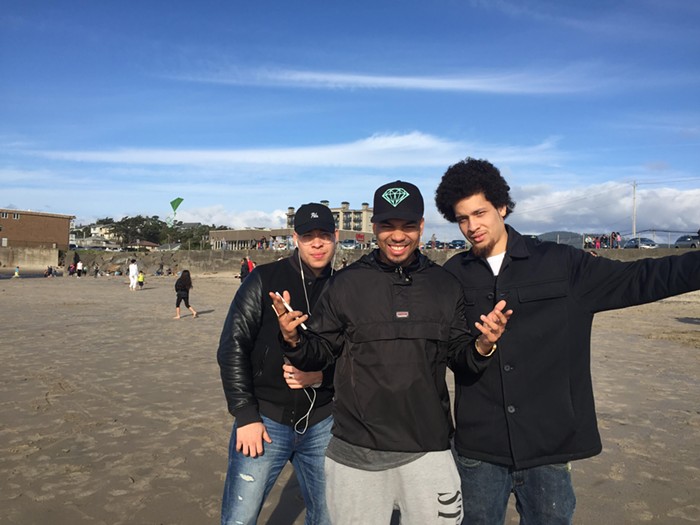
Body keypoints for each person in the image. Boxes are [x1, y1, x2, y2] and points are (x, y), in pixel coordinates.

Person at [433, 157, 700, 525]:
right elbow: (452, 354)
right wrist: (481, 347)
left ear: (502, 206)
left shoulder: (560, 263)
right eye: (462, 218)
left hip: (549, 445)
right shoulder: (452, 275)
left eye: (479, 213)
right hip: (480, 447)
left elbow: (641, 277)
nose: (471, 226)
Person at [272, 181, 510, 525]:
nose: (397, 236)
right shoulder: (346, 284)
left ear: (422, 227)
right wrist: (292, 339)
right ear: (375, 227)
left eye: (408, 226)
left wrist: (483, 346)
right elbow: (319, 354)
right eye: (387, 226)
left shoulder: (444, 285)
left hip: (429, 448)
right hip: (355, 451)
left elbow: (462, 359)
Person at [217, 203, 339, 525]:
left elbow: (358, 355)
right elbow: (232, 346)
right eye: (308, 235)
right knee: (239, 518)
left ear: (335, 237)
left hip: (324, 423)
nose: (317, 243)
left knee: (327, 517)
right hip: (265, 421)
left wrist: (323, 375)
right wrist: (245, 414)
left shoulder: (344, 288)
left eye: (324, 235)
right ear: (295, 238)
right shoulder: (263, 278)